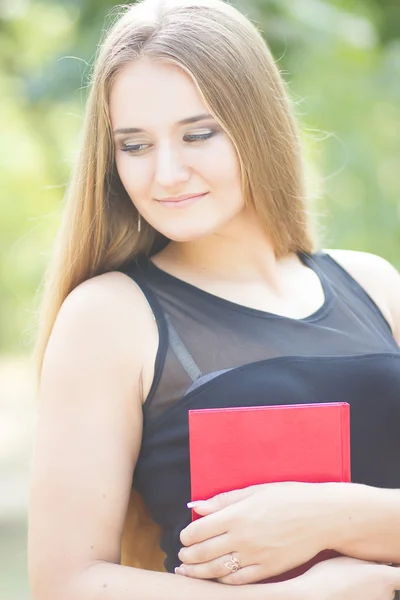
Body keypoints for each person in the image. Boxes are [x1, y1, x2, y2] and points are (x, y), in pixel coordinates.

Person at [28, 0, 400, 599]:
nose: (167, 173)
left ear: (259, 126)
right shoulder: (109, 317)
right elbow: (65, 582)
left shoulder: (376, 288)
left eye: (198, 134)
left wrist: (332, 516)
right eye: (135, 145)